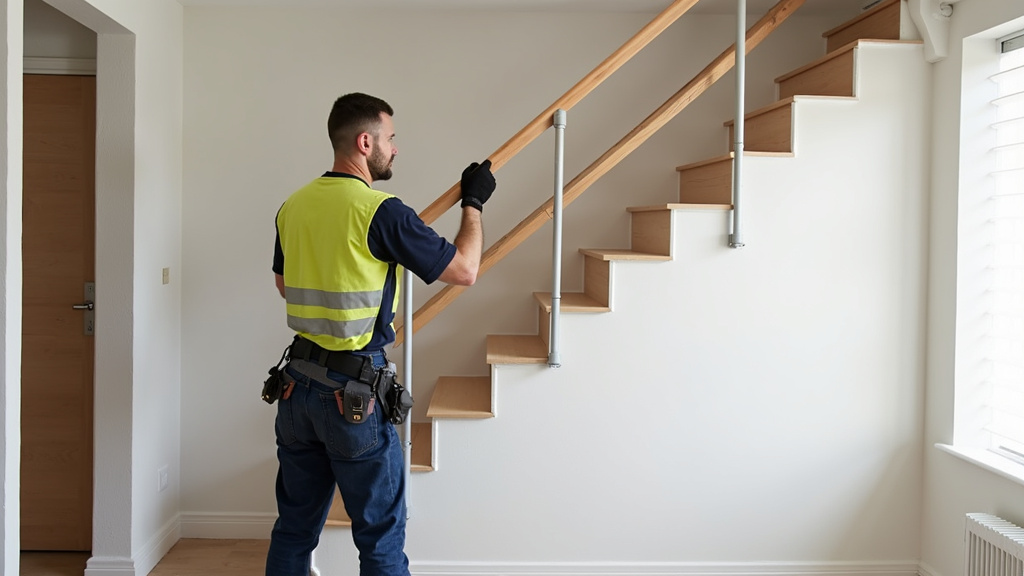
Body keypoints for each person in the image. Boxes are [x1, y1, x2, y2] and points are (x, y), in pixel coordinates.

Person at [266, 92, 496, 576]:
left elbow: (285, 285)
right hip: (352, 397)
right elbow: (465, 270)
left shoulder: (294, 206)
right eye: (390, 139)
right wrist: (472, 203)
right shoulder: (381, 211)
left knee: (293, 530)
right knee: (380, 540)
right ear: (365, 141)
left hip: (296, 387)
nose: (395, 149)